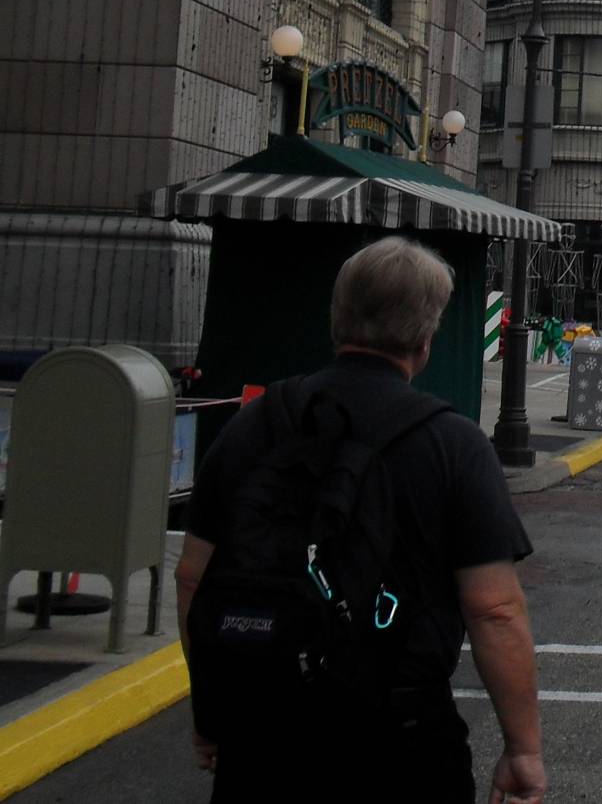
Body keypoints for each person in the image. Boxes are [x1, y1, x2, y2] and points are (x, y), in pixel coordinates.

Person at [176, 238, 544, 804]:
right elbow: (494, 609)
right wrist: (523, 750)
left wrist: (212, 711)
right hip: (400, 737)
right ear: (426, 338)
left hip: (264, 729)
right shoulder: (453, 444)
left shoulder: (255, 425)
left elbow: (194, 579)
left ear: (336, 318)